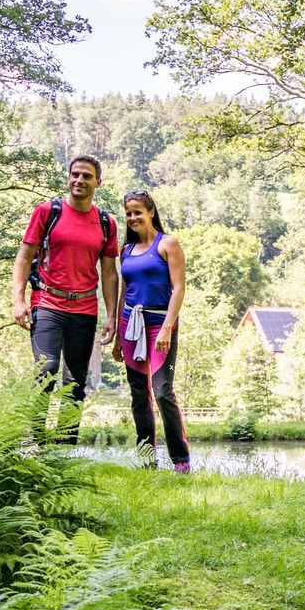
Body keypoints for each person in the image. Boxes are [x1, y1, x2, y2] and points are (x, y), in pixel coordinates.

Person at [11, 156, 120, 441]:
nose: (79, 180)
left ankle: (65, 448)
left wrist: (111, 316)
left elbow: (109, 272)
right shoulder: (48, 211)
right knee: (46, 370)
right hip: (47, 303)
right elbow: (24, 256)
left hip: (85, 308)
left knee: (75, 381)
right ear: (69, 177)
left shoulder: (106, 223)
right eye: (75, 175)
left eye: (86, 176)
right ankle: (33, 441)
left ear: (98, 182)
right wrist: (18, 299)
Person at [113, 190, 190, 471]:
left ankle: (180, 461)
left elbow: (179, 288)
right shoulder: (126, 251)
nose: (133, 218)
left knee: (162, 393)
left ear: (151, 212)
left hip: (160, 324)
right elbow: (125, 290)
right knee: (138, 394)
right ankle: (147, 460)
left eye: (138, 212)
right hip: (130, 326)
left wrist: (168, 327)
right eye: (129, 213)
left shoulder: (167, 244)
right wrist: (118, 340)